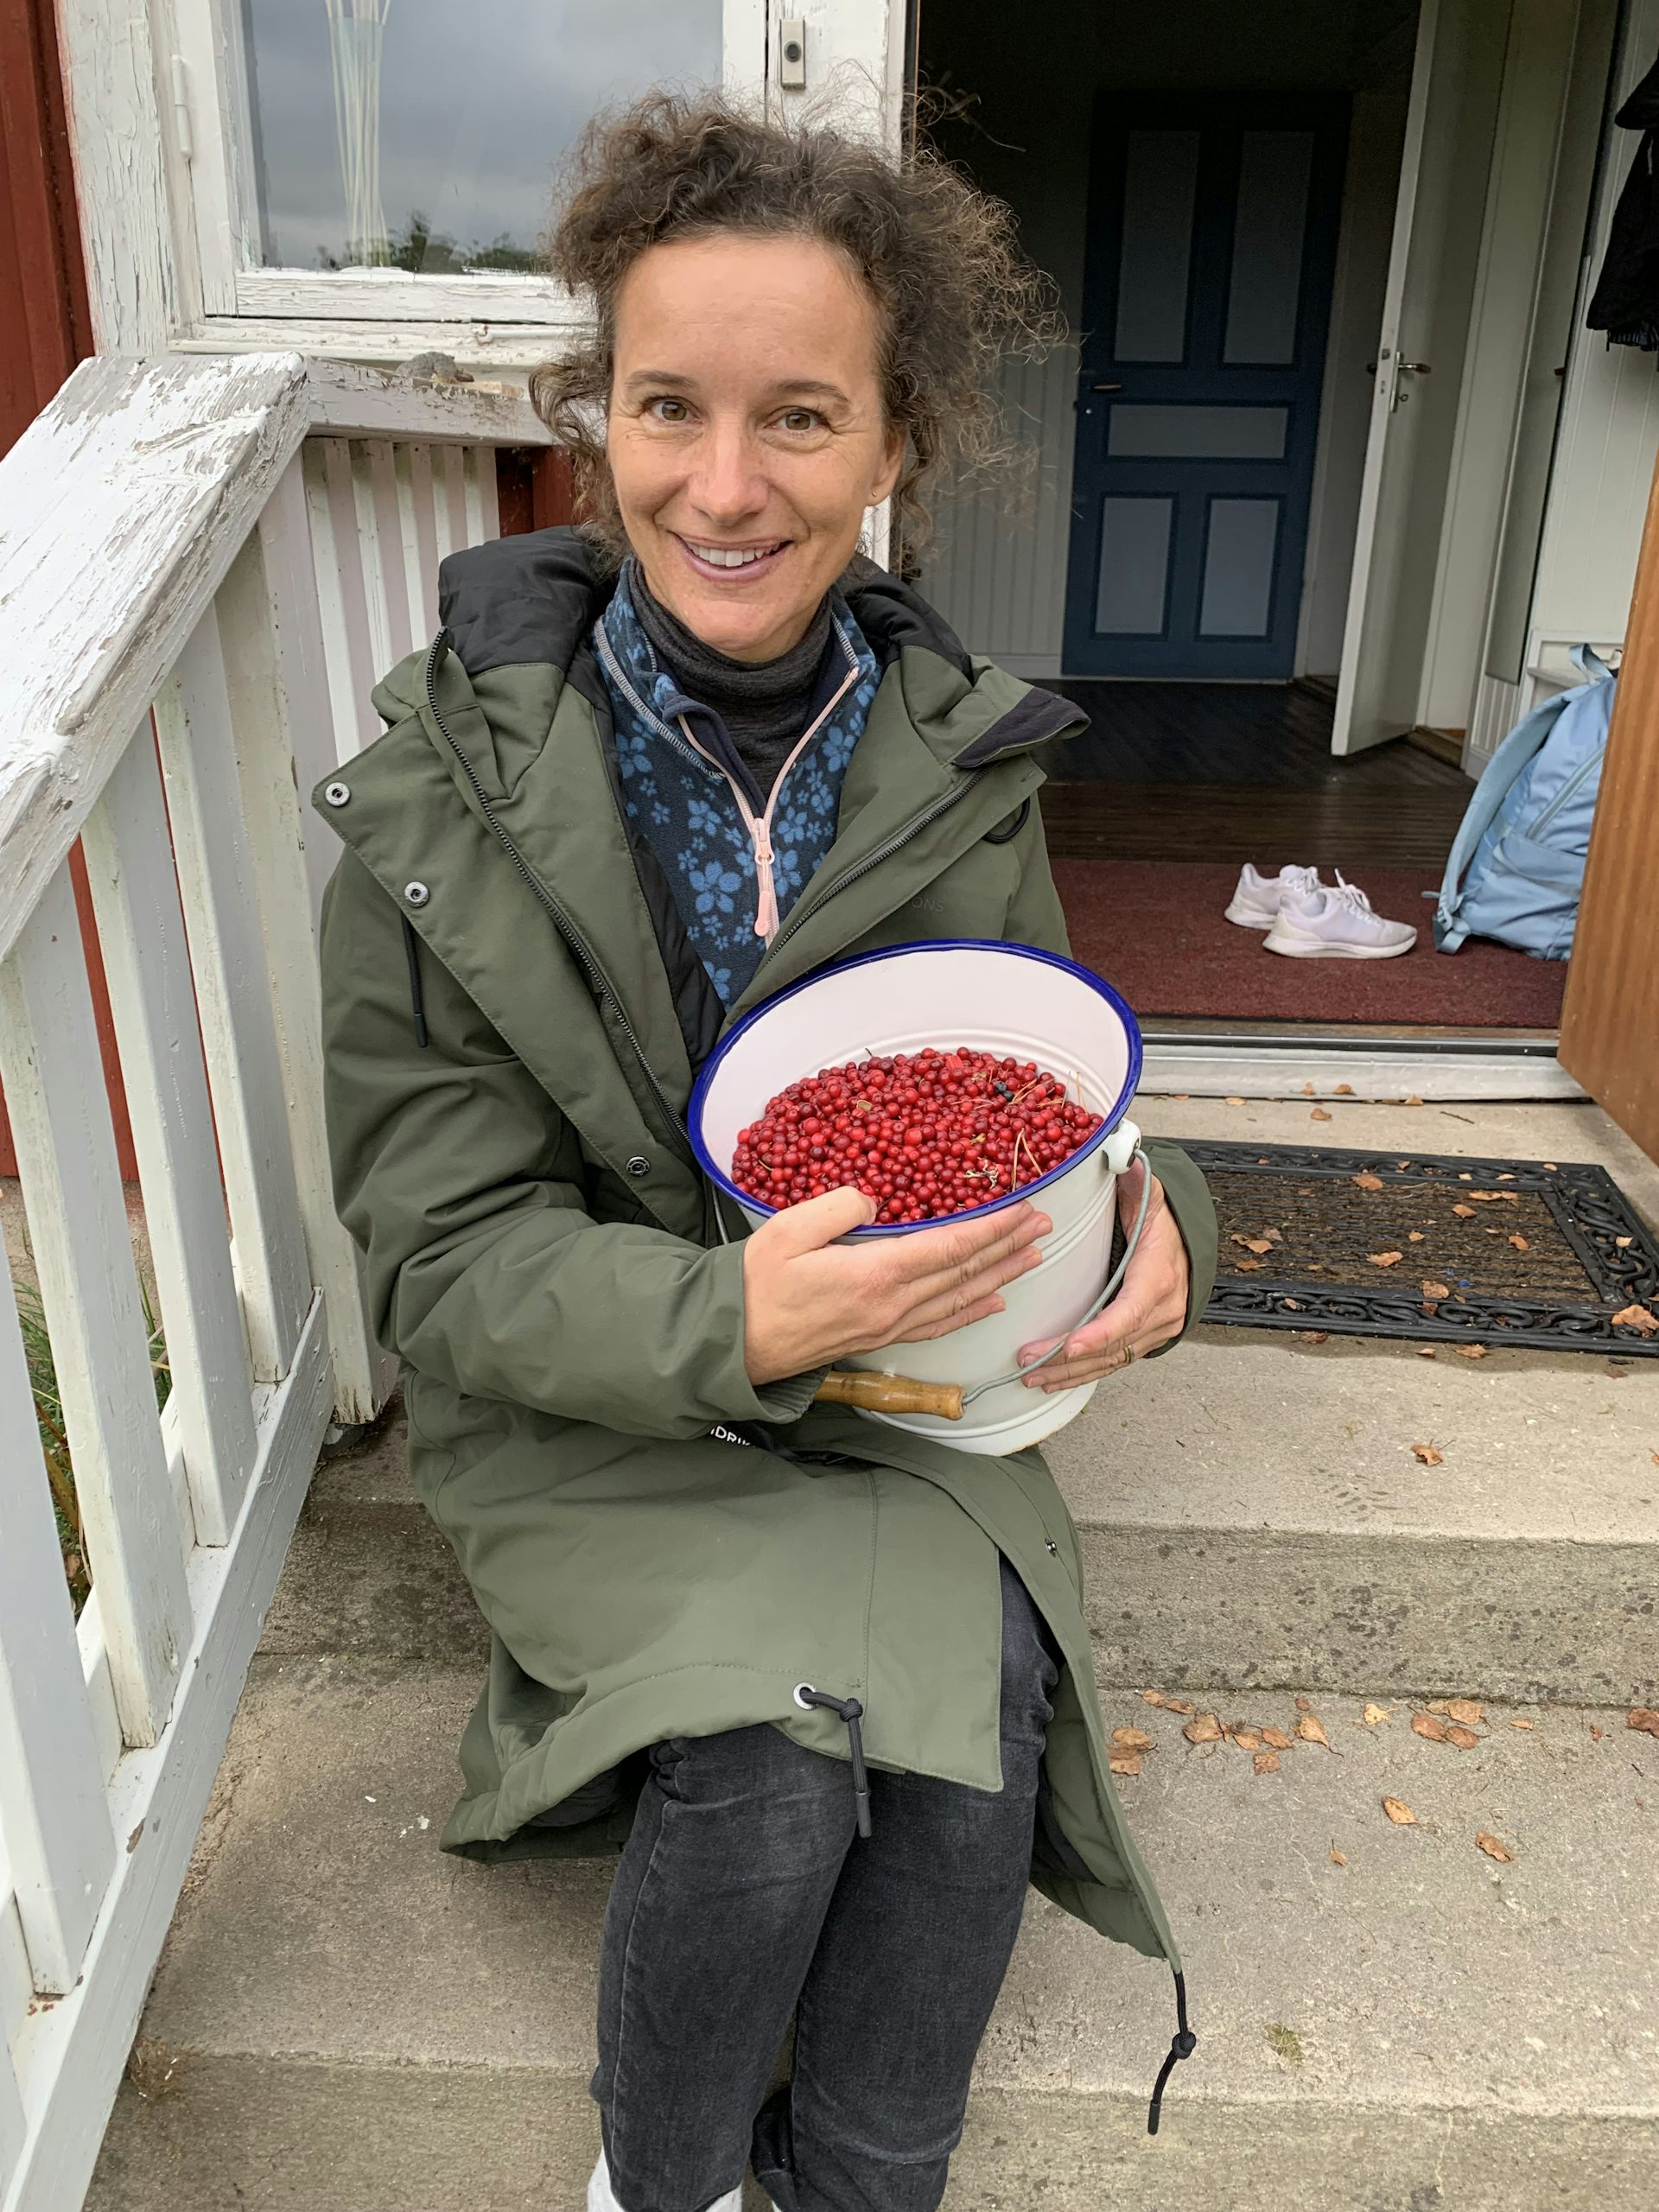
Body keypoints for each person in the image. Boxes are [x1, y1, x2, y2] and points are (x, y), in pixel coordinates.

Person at [315, 92, 1218, 2212]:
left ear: (898, 440)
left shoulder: (959, 765)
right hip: (594, 1404)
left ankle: (859, 2187)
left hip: (906, 1376)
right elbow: (443, 1260)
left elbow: (1044, 1098)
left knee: (971, 1719)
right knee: (779, 1751)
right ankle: (669, 2178)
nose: (725, 486)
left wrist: (1166, 1235)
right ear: (596, 421)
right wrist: (723, 1312)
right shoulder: (430, 800)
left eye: (801, 417)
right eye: (666, 409)